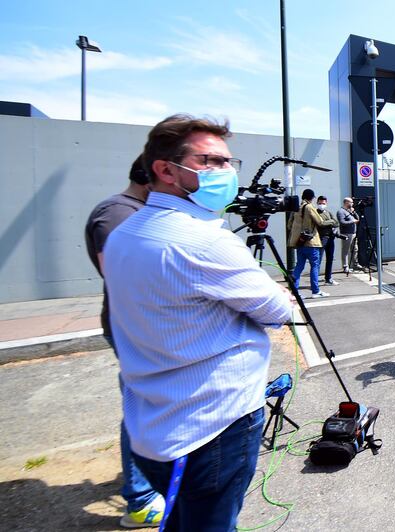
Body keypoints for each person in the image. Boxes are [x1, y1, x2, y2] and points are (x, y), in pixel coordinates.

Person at [103, 114, 294, 531]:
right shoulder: (204, 240)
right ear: (166, 169)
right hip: (212, 428)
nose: (226, 172)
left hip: (153, 428)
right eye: (211, 161)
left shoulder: (124, 234)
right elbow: (279, 311)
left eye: (229, 162)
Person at [84, 155, 165, 529]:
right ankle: (141, 497)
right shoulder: (117, 213)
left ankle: (153, 478)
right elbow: (126, 274)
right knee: (143, 406)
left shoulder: (140, 211)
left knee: (155, 404)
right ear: (153, 175)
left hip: (153, 327)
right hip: (136, 328)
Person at [288, 189, 336, 298]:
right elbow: (320, 222)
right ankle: (316, 291)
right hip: (311, 242)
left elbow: (289, 225)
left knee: (299, 266)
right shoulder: (310, 207)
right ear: (312, 198)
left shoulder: (296, 208)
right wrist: (332, 221)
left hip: (299, 242)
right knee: (315, 266)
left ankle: (294, 292)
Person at [316, 195, 340, 285]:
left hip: (330, 238)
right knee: (318, 260)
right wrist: (331, 222)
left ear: (326, 203)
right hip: (322, 238)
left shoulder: (328, 212)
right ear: (317, 203)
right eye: (320, 203)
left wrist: (329, 222)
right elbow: (320, 223)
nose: (322, 204)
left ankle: (328, 278)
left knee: (330, 259)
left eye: (323, 203)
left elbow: (336, 223)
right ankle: (315, 281)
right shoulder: (316, 212)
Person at [337, 197, 359, 273]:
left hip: (353, 233)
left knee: (355, 249)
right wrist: (352, 222)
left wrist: (354, 212)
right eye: (351, 202)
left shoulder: (349, 211)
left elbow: (357, 219)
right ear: (346, 202)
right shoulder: (341, 212)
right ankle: (345, 266)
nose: (352, 204)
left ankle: (355, 264)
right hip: (346, 233)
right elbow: (342, 222)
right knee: (345, 250)